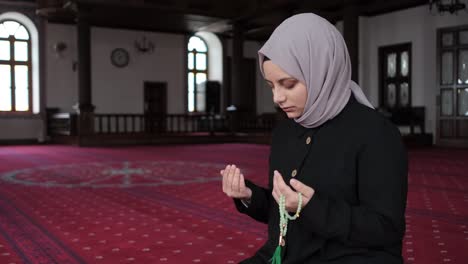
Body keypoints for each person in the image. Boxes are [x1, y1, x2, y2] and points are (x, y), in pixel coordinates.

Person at [220, 13, 408, 264]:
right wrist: (248, 196)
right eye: (271, 86)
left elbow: (385, 228)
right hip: (287, 256)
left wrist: (310, 208)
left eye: (288, 84)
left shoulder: (376, 134)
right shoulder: (286, 132)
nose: (277, 98)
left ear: (322, 71)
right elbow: (283, 212)